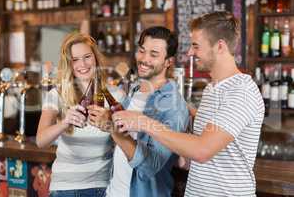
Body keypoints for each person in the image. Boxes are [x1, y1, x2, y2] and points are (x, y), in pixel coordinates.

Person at [112, 11, 265, 197]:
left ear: (220, 47)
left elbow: (202, 150)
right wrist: (174, 155)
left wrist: (143, 122)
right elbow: (201, 158)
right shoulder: (212, 89)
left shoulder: (241, 92)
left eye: (196, 46)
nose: (190, 52)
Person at [88, 26, 189, 197]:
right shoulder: (134, 91)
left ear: (168, 62)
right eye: (142, 51)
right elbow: (121, 143)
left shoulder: (173, 106)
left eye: (154, 54)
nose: (144, 59)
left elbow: (151, 166)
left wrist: (112, 128)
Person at [36, 32, 121, 197]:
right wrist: (64, 123)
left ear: (95, 58)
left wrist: (110, 125)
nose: (82, 64)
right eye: (75, 60)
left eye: (87, 56)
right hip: (66, 189)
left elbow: (126, 139)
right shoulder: (57, 95)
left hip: (102, 187)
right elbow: (41, 141)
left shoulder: (116, 95)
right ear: (69, 64)